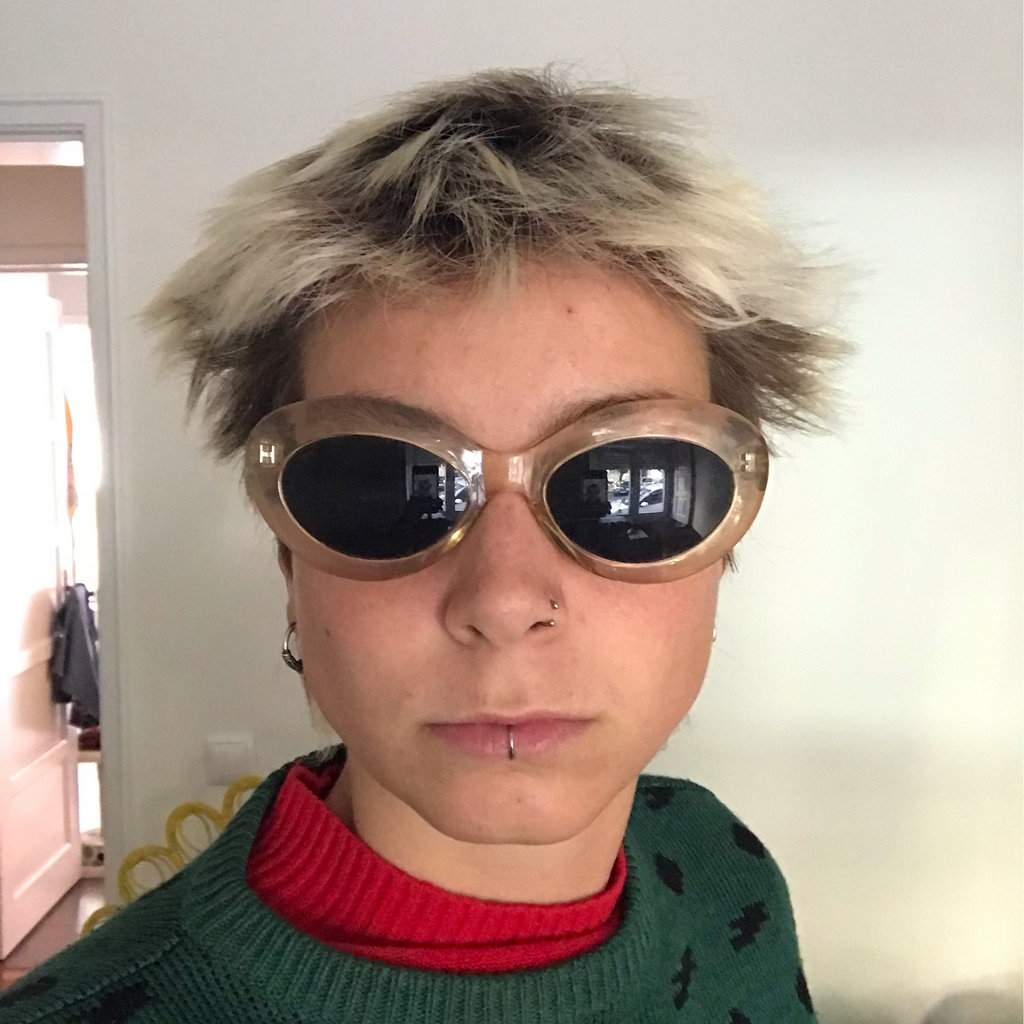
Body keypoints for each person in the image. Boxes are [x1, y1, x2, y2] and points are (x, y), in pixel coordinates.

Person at [0, 68, 843, 1023]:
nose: (503, 598)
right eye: (386, 486)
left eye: (623, 484)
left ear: (718, 548)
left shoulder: (723, 869)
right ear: (290, 562)